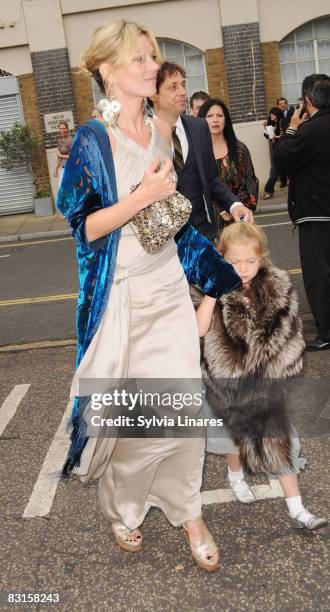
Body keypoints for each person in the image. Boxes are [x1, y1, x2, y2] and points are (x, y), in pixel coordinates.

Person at [57, 19, 242, 573]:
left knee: (182, 409)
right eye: (139, 58)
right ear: (108, 70)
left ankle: (190, 513)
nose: (151, 67)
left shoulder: (161, 134)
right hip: (123, 296)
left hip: (166, 288)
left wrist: (217, 273)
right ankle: (124, 504)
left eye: (153, 57)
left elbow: (171, 224)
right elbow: (84, 227)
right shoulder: (93, 140)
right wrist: (140, 196)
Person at [191, 223, 328, 530]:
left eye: (250, 261)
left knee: (280, 439)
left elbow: (291, 339)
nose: (242, 268)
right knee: (230, 440)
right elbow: (198, 330)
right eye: (234, 262)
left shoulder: (277, 288)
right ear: (221, 258)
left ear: (262, 258)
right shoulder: (210, 287)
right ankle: (235, 475)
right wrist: (213, 290)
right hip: (221, 384)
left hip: (263, 384)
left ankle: (298, 509)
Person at [151, 62, 253, 242]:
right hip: (167, 244)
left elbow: (212, 180)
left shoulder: (198, 127)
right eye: (173, 87)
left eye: (183, 85)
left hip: (203, 233)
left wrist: (234, 204)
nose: (182, 92)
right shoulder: (145, 134)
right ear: (154, 95)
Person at [273, 73, 330, 351]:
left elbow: (281, 158)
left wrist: (293, 127)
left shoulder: (309, 131)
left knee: (319, 275)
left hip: (317, 214)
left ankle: (327, 332)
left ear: (307, 100)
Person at [198, 98, 258, 235]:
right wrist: (218, 211)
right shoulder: (196, 153)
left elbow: (251, 183)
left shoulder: (240, 150)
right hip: (207, 228)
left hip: (238, 226)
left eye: (219, 115)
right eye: (209, 116)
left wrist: (234, 207)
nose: (215, 120)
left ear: (226, 120)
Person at [262, 107, 284, 199]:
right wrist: (264, 127)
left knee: (274, 171)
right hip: (277, 149)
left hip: (283, 149)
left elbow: (287, 134)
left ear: (277, 114)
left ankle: (268, 191)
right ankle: (268, 191)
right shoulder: (272, 124)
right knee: (274, 170)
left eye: (273, 114)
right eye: (270, 114)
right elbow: (268, 137)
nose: (271, 115)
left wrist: (277, 136)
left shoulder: (282, 121)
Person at [53, 121, 72, 186]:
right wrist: (56, 169)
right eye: (60, 129)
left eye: (64, 128)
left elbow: (73, 156)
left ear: (67, 129)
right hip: (63, 168)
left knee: (63, 189)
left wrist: (60, 155)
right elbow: (59, 158)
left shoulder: (70, 140)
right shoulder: (60, 141)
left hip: (71, 168)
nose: (62, 130)